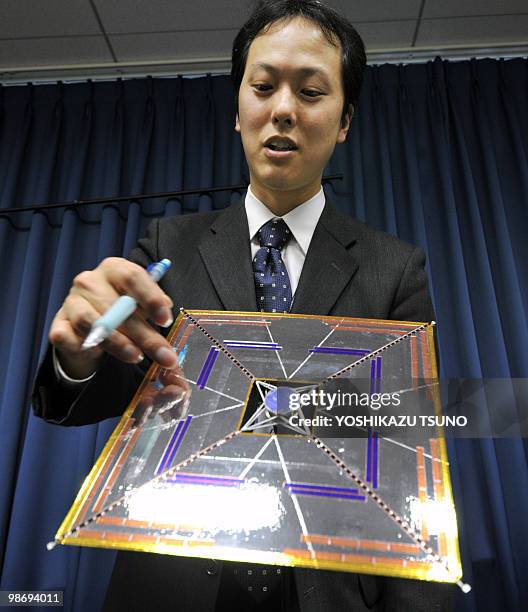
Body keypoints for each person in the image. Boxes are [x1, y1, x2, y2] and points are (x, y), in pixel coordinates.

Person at [33, 1, 453, 610]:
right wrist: (78, 357)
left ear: (344, 121)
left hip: (329, 585)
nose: (283, 109)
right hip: (171, 578)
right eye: (262, 87)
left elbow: (409, 458)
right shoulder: (167, 249)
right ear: (238, 109)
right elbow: (91, 401)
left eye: (311, 91)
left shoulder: (395, 269)